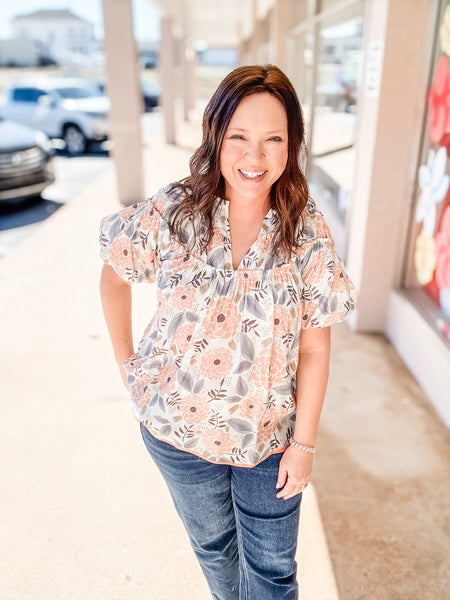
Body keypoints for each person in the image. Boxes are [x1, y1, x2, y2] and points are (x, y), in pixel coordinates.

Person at [99, 64, 356, 600]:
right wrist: (129, 370)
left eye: (272, 139)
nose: (253, 157)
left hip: (269, 444)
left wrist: (303, 444)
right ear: (215, 136)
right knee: (216, 552)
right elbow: (114, 276)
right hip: (179, 437)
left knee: (272, 575)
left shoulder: (305, 231)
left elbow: (314, 346)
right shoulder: (175, 213)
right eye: (238, 137)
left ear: (292, 145)